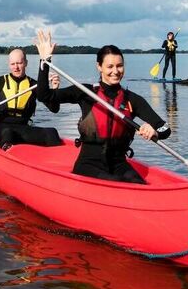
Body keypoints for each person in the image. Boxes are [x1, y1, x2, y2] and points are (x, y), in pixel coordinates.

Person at [34, 30, 171, 184]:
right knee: (114, 182)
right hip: (89, 164)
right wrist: (45, 61)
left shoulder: (132, 99)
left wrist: (154, 132)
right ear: (99, 67)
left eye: (119, 66)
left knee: (140, 185)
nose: (115, 71)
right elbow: (44, 95)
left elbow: (165, 129)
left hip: (119, 164)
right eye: (110, 66)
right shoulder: (86, 92)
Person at [0, 49, 62, 148]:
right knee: (8, 133)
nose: (16, 67)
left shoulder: (34, 85)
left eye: (19, 63)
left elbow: (54, 109)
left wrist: (55, 89)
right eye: (13, 64)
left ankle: (58, 159)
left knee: (51, 133)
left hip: (23, 127)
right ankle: (8, 154)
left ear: (26, 63)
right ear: (9, 64)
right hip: (3, 127)